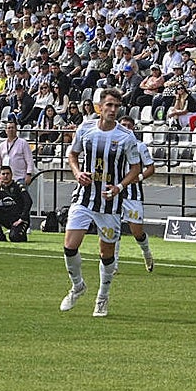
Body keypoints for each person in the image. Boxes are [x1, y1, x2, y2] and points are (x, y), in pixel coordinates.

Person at [58, 89, 145, 319]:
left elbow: (136, 168)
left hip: (110, 201)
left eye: (117, 106)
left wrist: (119, 187)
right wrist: (77, 173)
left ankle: (102, 297)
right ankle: (77, 286)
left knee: (106, 253)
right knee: (69, 245)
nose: (113, 110)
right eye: (109, 105)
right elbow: (72, 155)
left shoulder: (126, 136)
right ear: (100, 107)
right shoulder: (85, 128)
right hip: (84, 197)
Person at [118, 115, 158, 271]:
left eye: (129, 125)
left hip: (133, 195)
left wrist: (139, 177)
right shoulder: (114, 144)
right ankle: (112, 265)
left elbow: (151, 167)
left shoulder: (140, 146)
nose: (126, 127)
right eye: (123, 125)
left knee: (137, 232)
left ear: (133, 127)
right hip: (115, 191)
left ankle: (146, 253)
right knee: (113, 230)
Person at [0, 165, 33, 242]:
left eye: (8, 174)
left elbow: (28, 201)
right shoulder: (0, 188)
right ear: (0, 176)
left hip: (19, 219)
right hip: (8, 217)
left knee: (14, 238)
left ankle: (20, 233)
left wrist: (22, 218)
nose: (5, 176)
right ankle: (0, 235)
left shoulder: (18, 186)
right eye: (3, 174)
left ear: (11, 175)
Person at [0, 119, 35, 187]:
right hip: (5, 180)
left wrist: (29, 174)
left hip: (20, 178)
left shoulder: (23, 143)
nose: (11, 130)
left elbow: (29, 160)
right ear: (6, 130)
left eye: (13, 128)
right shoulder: (2, 145)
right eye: (9, 128)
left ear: (16, 130)